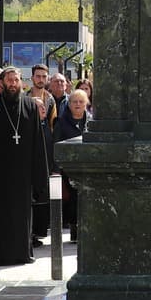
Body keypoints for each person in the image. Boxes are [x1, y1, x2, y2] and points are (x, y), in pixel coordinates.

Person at [0, 67, 54, 265]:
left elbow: (38, 144)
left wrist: (39, 176)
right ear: (2, 83)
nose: (13, 84)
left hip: (22, 176)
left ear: (21, 82)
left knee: (20, 217)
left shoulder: (30, 106)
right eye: (9, 80)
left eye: (16, 80)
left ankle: (21, 253)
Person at [52, 87, 90, 234]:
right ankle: (74, 228)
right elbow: (56, 146)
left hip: (87, 166)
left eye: (81, 101)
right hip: (68, 169)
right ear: (69, 104)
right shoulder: (61, 122)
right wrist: (56, 170)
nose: (78, 104)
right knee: (72, 199)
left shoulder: (92, 121)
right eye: (74, 101)